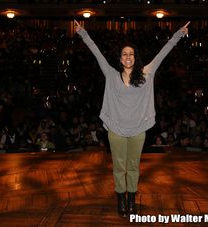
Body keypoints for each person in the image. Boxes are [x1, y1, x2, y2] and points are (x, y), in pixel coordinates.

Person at [74, 20, 190, 217]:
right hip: (116, 129)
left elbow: (164, 51)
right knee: (119, 167)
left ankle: (131, 200)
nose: (128, 57)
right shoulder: (111, 74)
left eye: (131, 54)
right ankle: (121, 199)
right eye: (124, 54)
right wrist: (83, 33)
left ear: (135, 58)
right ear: (120, 59)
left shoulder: (147, 72)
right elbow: (97, 53)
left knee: (133, 166)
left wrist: (179, 34)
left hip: (138, 129)